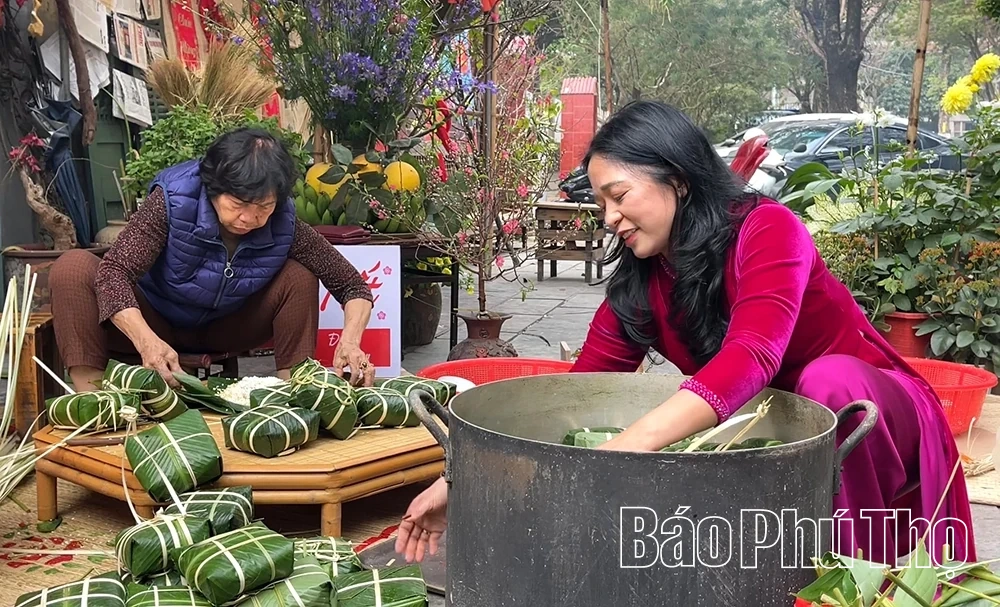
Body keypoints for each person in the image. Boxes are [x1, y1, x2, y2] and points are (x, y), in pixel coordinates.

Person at [395, 100, 977, 568]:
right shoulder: (642, 280)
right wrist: (460, 482)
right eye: (600, 203)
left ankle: (846, 578)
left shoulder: (767, 230)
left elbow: (753, 355)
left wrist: (623, 448)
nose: (608, 218)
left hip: (866, 413)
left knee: (827, 380)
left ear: (676, 180)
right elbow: (572, 398)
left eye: (619, 196)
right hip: (768, 431)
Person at [50, 127, 376, 392]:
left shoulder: (284, 223)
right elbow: (114, 272)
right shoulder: (172, 201)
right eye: (238, 204)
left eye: (263, 207)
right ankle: (93, 401)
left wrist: (350, 341)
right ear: (213, 187)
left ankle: (293, 391)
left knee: (298, 275)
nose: (249, 218)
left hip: (228, 325)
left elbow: (352, 285)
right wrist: (146, 341)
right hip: (156, 318)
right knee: (73, 267)